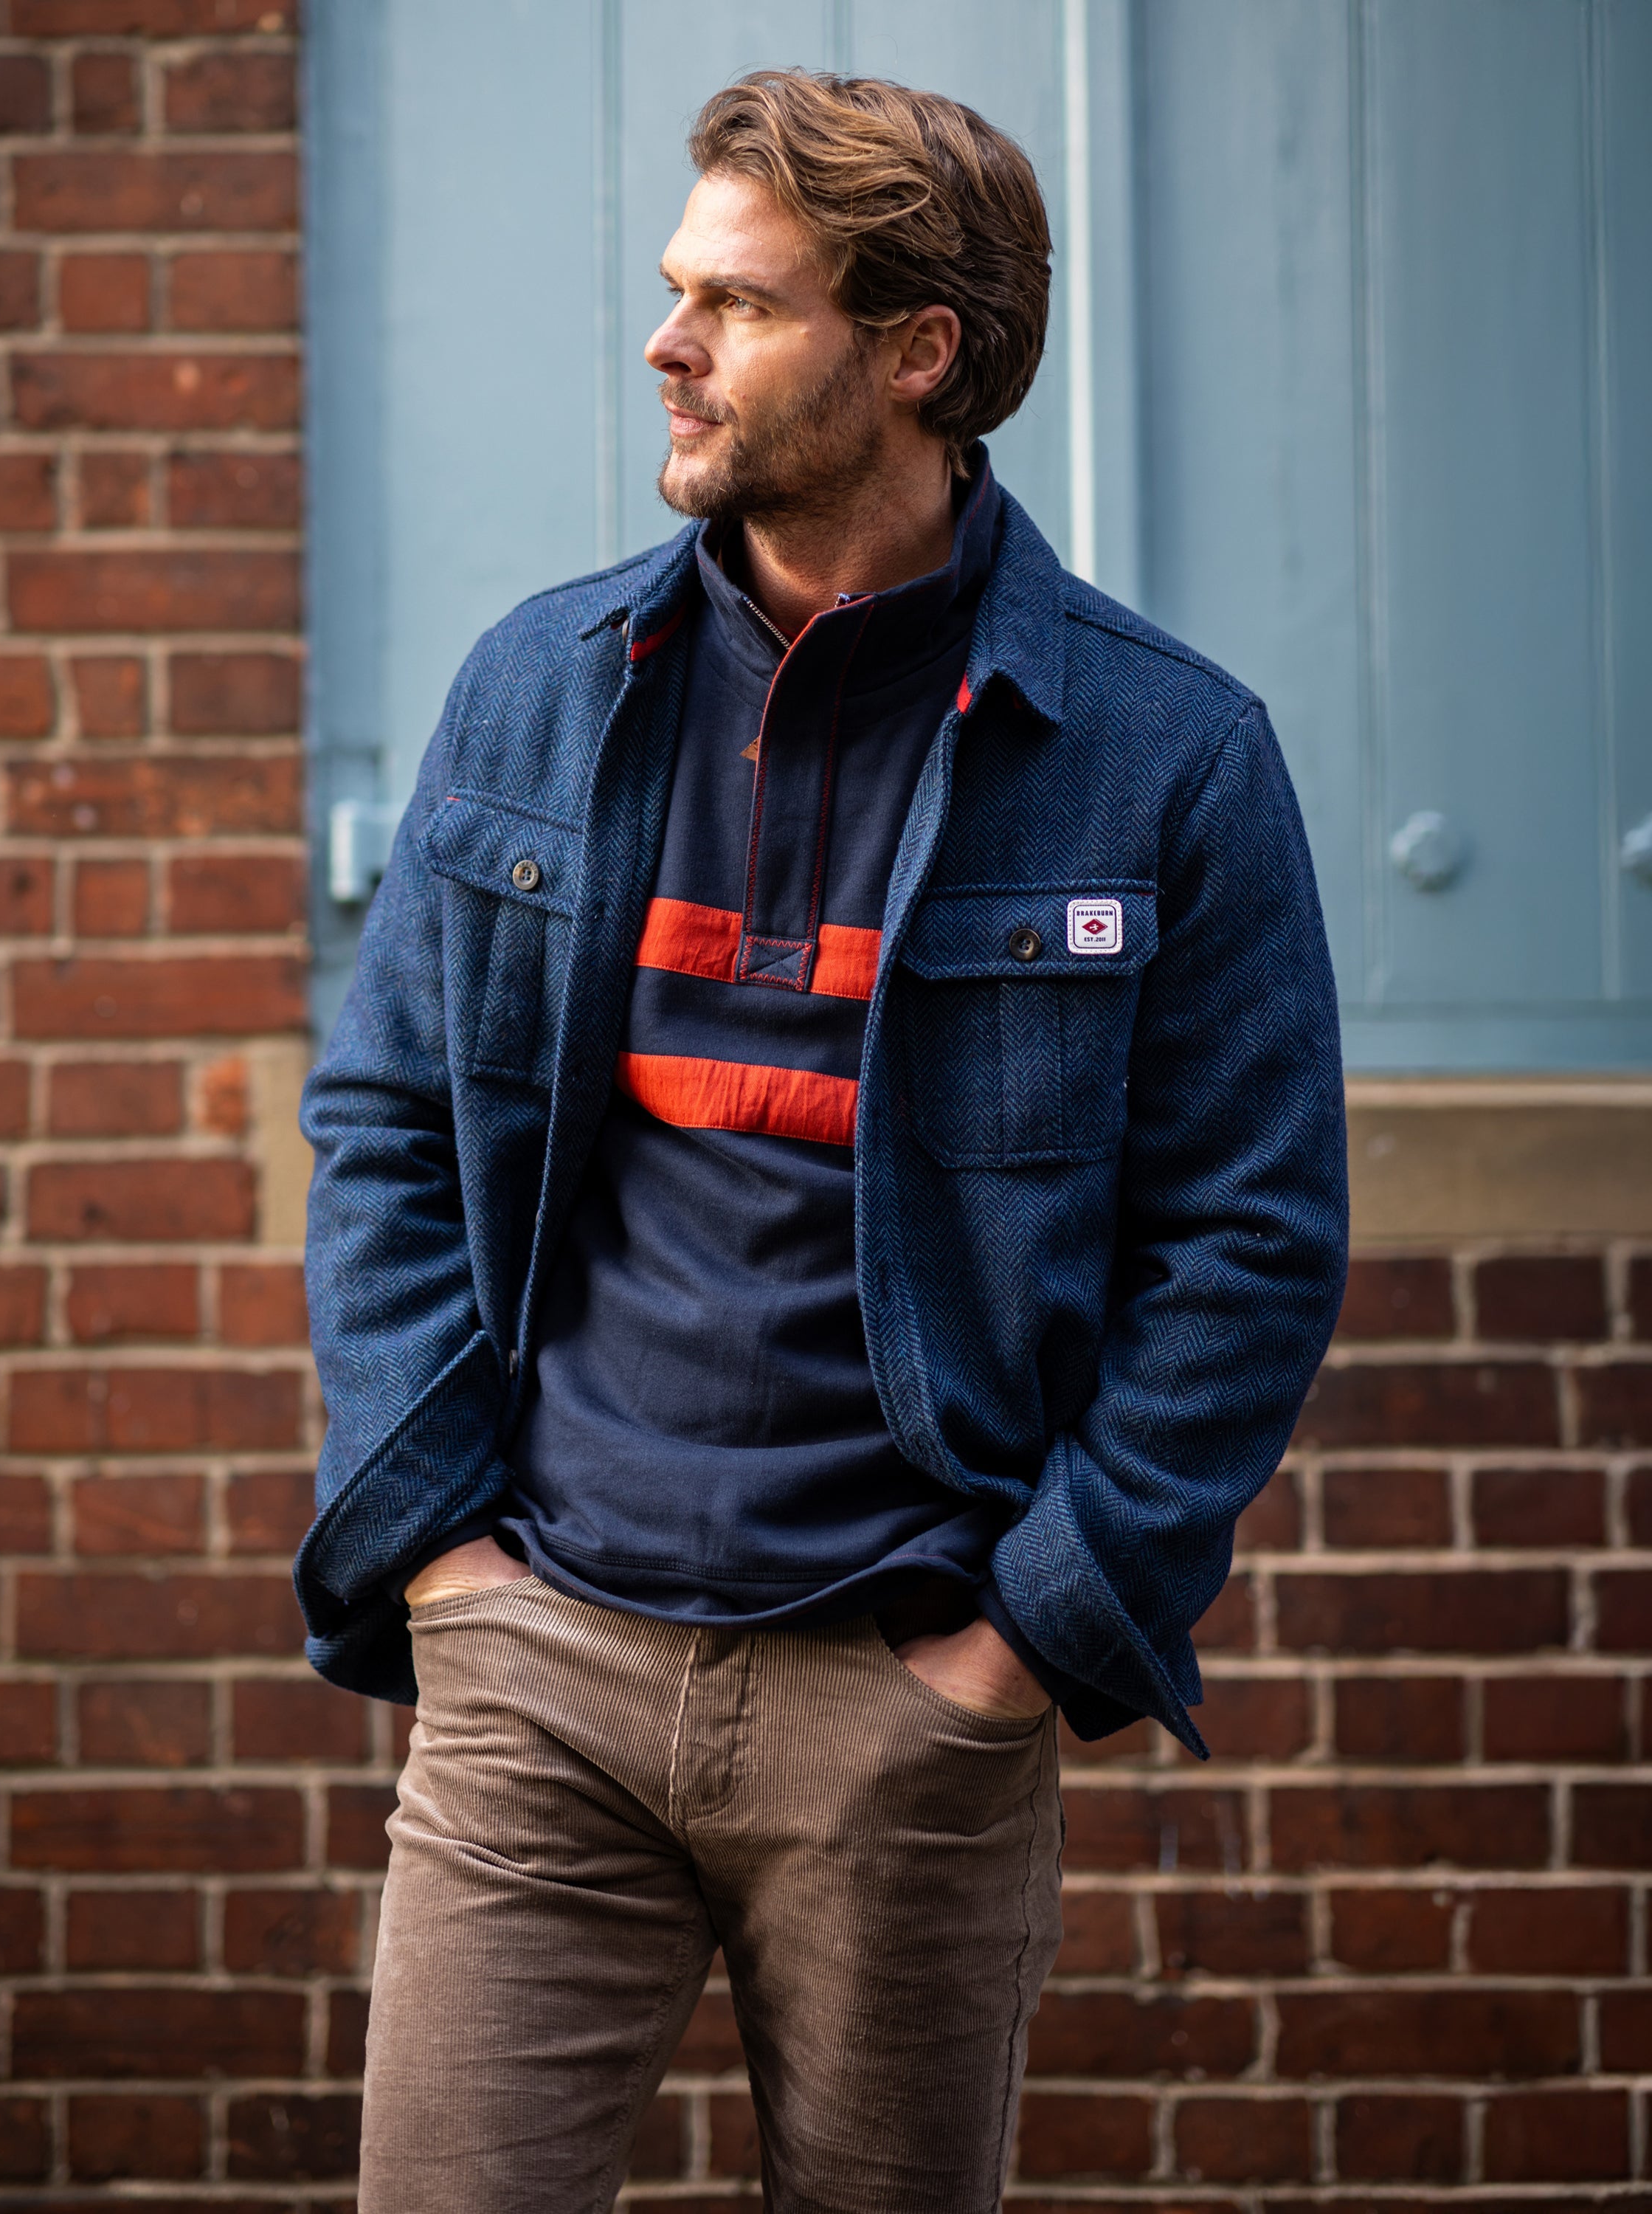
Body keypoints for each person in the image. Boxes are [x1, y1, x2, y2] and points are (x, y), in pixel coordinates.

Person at [296, 67, 1347, 2214]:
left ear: (913, 354)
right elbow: (387, 1123)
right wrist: (446, 1564)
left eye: (735, 304)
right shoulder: (541, 686)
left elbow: (1243, 1245)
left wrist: (1022, 1643)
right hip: (538, 1673)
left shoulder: (1163, 758)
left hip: (907, 1703)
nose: (667, 344)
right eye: (676, 291)